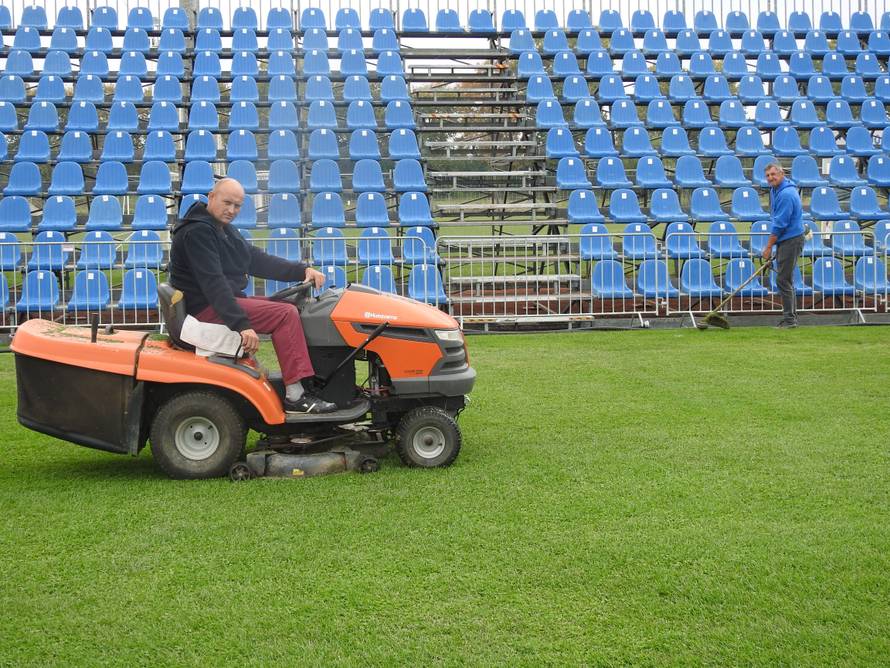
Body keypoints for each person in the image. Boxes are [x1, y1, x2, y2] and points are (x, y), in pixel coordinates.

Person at [169, 179, 337, 413]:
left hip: (217, 302)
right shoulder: (197, 232)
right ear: (211, 196)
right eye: (227, 203)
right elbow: (213, 282)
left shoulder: (220, 227)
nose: (231, 211)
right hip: (205, 308)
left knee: (289, 306)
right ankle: (296, 395)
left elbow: (255, 259)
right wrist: (241, 324)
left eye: (237, 206)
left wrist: (302, 270)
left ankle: (303, 381)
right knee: (285, 314)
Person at [762, 162, 805, 329]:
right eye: (768, 176)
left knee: (783, 280)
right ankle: (790, 318)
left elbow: (780, 224)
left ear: (782, 174)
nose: (771, 178)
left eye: (773, 174)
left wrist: (768, 247)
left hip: (791, 240)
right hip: (787, 239)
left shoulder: (786, 194)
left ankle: (790, 320)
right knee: (786, 280)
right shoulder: (776, 190)